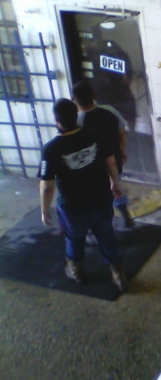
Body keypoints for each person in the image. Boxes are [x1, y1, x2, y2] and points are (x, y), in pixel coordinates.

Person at [38, 98, 127, 293]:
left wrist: (44, 210)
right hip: (102, 199)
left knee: (74, 239)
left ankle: (77, 272)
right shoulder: (95, 135)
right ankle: (118, 274)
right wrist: (115, 183)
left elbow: (47, 187)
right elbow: (111, 161)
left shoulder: (50, 149)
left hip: (73, 207)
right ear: (76, 115)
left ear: (56, 120)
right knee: (106, 236)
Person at [72, 79, 134, 230]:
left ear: (73, 99)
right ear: (94, 95)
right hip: (114, 159)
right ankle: (126, 218)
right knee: (116, 186)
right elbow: (122, 132)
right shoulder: (109, 111)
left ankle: (102, 226)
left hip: (94, 166)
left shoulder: (77, 121)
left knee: (96, 194)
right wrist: (122, 150)